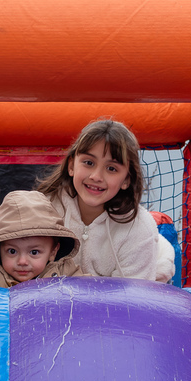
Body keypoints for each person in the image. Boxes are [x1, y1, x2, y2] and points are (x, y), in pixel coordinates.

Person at [37, 119, 175, 282]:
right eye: (89, 163)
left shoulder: (137, 229)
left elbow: (132, 299)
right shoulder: (44, 210)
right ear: (72, 166)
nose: (96, 176)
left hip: (139, 283)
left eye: (111, 168)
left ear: (126, 180)